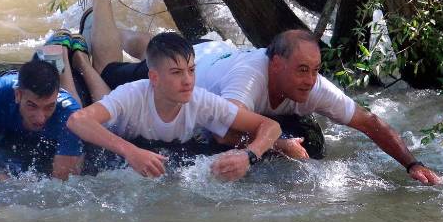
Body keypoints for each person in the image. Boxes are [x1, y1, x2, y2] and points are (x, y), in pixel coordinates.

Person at [58, 0, 442, 186]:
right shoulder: (247, 81)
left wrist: (413, 164)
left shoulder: (315, 86)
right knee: (110, 68)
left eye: (316, 70)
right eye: (302, 71)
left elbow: (370, 122)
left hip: (204, 56)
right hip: (201, 65)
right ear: (276, 65)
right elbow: (226, 134)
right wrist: (278, 146)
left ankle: (108, 27)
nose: (310, 80)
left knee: (160, 46)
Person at [65, 32, 282, 181]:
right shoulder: (132, 94)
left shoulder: (201, 100)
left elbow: (270, 125)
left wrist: (249, 155)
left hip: (161, 147)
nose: (188, 80)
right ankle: (77, 59)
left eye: (191, 70)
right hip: (119, 136)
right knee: (88, 99)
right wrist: (131, 152)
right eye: (177, 73)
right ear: (155, 77)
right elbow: (77, 120)